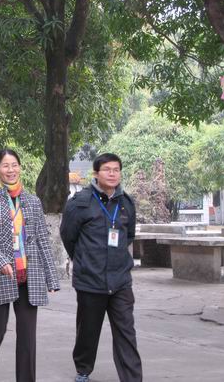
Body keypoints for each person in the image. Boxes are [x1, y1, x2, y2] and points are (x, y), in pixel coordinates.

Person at [0, 148, 60, 382]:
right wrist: (1, 261)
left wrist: (51, 277)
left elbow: (41, 238)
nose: (11, 170)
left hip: (28, 276)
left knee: (27, 337)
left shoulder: (33, 201)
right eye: (5, 166)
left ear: (20, 167)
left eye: (14, 165)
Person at [60, 153, 142, 382]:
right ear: (96, 173)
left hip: (120, 280)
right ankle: (83, 370)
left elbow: (128, 236)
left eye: (116, 169)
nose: (112, 174)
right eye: (107, 169)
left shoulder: (126, 203)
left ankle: (132, 378)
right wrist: (85, 260)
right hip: (90, 279)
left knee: (126, 332)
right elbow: (68, 236)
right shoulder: (80, 202)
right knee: (88, 330)